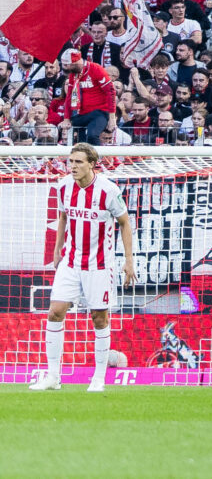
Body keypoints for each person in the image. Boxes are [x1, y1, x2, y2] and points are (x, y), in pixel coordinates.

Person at [33, 143, 134, 393]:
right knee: (55, 312)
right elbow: (63, 216)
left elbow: (124, 222)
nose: (73, 167)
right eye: (71, 162)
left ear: (92, 163)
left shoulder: (108, 190)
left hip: (99, 265)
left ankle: (99, 378)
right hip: (70, 260)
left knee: (99, 318)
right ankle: (53, 376)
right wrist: (57, 249)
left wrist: (129, 260)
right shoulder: (64, 185)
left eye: (79, 162)